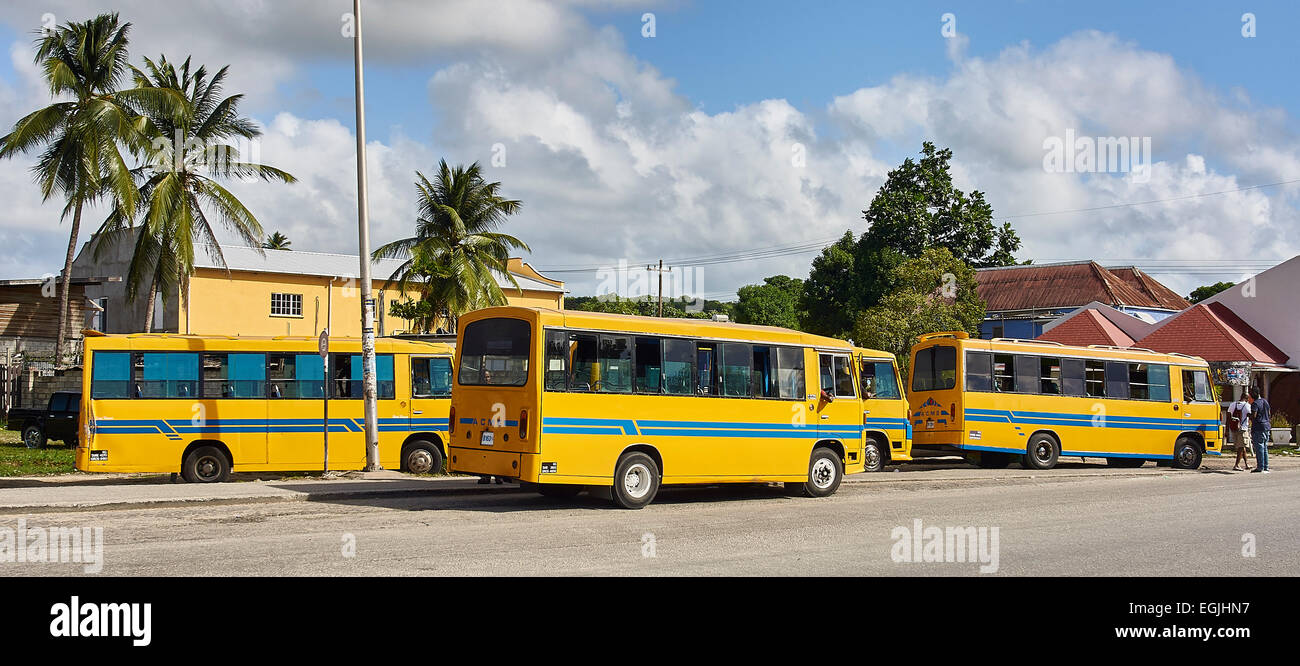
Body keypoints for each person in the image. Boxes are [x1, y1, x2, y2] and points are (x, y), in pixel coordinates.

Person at [1227, 393, 1252, 472]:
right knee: (1241, 447)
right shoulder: (1247, 406)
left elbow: (1228, 417)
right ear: (1247, 398)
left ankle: (1246, 464)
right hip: (1243, 428)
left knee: (1241, 446)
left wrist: (1227, 429)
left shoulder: (1233, 404)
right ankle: (1236, 465)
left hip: (1234, 428)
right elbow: (1251, 416)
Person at [1249, 387, 1271, 474]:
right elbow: (1269, 413)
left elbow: (1254, 416)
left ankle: (1260, 467)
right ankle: (1266, 466)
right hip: (1266, 426)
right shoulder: (1265, 401)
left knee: (1259, 448)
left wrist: (1248, 415)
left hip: (1258, 427)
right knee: (1265, 447)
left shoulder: (1255, 404)